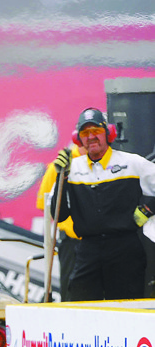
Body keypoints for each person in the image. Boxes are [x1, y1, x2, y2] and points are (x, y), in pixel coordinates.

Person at [51, 108, 155, 301]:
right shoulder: (71, 169)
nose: (91, 137)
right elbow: (59, 215)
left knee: (127, 311)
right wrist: (61, 178)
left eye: (96, 131)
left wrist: (147, 210)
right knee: (81, 310)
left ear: (109, 134)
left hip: (125, 249)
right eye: (85, 133)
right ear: (78, 139)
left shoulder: (131, 163)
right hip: (87, 251)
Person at [36, 144, 84, 301]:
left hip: (99, 240)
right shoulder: (59, 165)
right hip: (72, 243)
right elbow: (45, 204)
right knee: (70, 293)